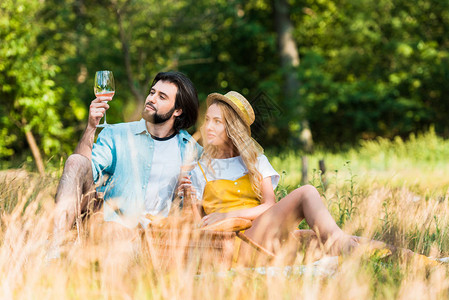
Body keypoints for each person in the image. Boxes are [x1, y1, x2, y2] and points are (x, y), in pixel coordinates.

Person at [176, 91, 357, 264]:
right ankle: (344, 246)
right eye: (207, 120)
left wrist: (227, 214)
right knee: (307, 193)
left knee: (356, 241)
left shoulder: (256, 161)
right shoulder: (200, 170)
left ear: (233, 128)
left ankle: (356, 249)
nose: (208, 127)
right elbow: (199, 226)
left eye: (217, 121)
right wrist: (189, 200)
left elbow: (269, 205)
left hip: (263, 233)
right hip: (234, 245)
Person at [52, 71, 201, 249]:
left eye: (162, 97)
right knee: (75, 161)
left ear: (177, 110)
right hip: (114, 229)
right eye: (152, 92)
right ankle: (55, 247)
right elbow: (84, 170)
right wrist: (92, 127)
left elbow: (199, 206)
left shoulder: (192, 150)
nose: (152, 99)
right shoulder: (117, 134)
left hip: (162, 237)